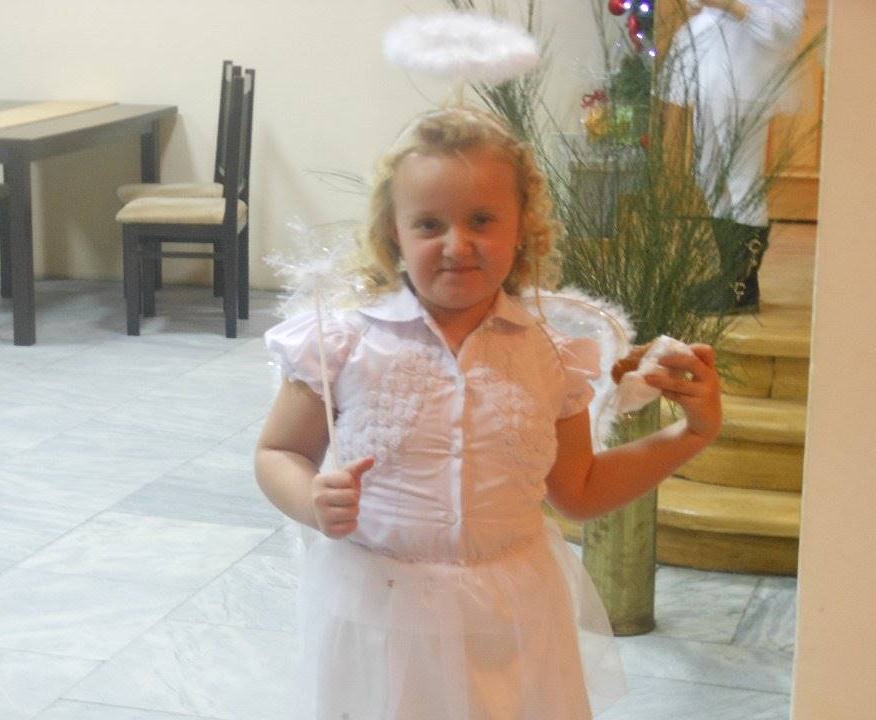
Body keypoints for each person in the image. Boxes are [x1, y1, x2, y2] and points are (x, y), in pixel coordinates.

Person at [255, 107, 722, 719]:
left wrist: (692, 434)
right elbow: (279, 452)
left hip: (509, 619)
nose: (457, 245)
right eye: (429, 224)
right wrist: (310, 498)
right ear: (394, 231)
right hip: (380, 616)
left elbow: (579, 490)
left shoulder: (553, 355)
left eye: (481, 220)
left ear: (522, 226)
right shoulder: (343, 343)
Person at [662, 0, 805, 313]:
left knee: (743, 180)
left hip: (746, 79)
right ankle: (730, 276)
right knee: (708, 175)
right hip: (709, 70)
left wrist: (730, 4)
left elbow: (787, 28)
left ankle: (742, 287)